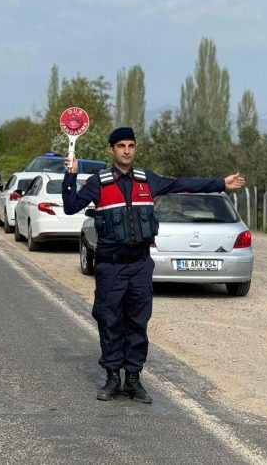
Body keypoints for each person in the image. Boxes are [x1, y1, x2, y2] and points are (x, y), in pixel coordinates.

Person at [62, 127, 245, 403]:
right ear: (111, 150)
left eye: (131, 146)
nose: (126, 150)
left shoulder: (148, 180)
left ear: (135, 149)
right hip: (110, 267)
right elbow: (69, 206)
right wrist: (71, 173)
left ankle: (133, 380)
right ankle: (113, 378)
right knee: (109, 321)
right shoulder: (98, 182)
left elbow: (184, 184)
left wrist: (221, 183)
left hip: (139, 266)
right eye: (121, 146)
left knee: (137, 322)